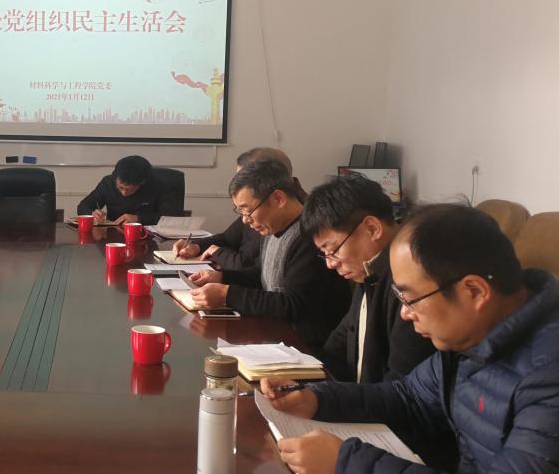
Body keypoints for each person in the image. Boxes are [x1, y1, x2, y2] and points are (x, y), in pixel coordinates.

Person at [262, 204, 559, 474]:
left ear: (474, 291)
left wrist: (346, 465)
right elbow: (408, 397)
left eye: (411, 298)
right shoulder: (473, 337)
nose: (405, 313)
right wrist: (317, 399)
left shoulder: (546, 376)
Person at [187, 160, 350, 349]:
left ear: (278, 199)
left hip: (306, 345)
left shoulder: (309, 237)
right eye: (241, 211)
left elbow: (292, 305)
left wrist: (227, 295)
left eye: (248, 210)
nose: (245, 220)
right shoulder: (272, 228)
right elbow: (263, 275)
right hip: (276, 335)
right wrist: (223, 277)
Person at [300, 173, 436, 383]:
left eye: (333, 250)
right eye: (324, 253)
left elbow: (401, 386)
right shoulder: (369, 272)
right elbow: (338, 344)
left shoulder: (411, 282)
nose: (330, 263)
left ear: (372, 228)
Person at [174, 147, 305, 270]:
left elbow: (249, 265)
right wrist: (197, 246)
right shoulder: (255, 208)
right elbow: (227, 238)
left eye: (245, 178)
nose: (244, 219)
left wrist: (218, 254)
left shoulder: (278, 217)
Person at [76, 155, 179, 226]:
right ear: (115, 178)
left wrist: (139, 219)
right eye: (120, 188)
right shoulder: (108, 183)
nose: (124, 193)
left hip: (147, 236)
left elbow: (172, 215)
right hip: (113, 235)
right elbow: (83, 206)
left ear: (142, 183)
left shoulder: (157, 184)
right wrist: (92, 214)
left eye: (130, 189)